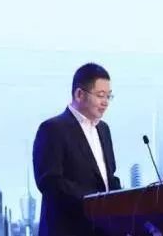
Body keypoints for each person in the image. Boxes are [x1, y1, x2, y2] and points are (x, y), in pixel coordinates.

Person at [33, 63, 122, 236]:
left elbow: (108, 177)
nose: (105, 102)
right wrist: (95, 201)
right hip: (68, 229)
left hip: (103, 230)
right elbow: (50, 182)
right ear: (79, 94)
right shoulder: (52, 129)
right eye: (100, 95)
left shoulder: (104, 129)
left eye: (108, 96)